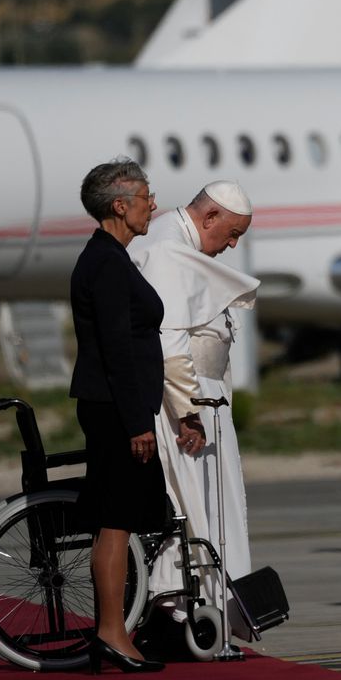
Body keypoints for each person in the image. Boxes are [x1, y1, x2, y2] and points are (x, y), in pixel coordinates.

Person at [130, 182, 259, 648]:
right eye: (231, 233)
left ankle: (200, 616)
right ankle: (182, 621)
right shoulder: (167, 247)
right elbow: (169, 342)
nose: (232, 245)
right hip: (184, 403)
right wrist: (187, 412)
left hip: (199, 398)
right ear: (209, 218)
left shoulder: (174, 239)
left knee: (208, 509)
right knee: (194, 511)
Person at [68, 159, 167, 674]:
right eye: (147, 196)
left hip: (115, 405)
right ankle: (110, 631)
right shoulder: (106, 263)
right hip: (115, 410)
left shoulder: (110, 256)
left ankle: (115, 629)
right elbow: (116, 351)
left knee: (120, 520)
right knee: (115, 524)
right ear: (119, 206)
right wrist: (137, 423)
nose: (155, 204)